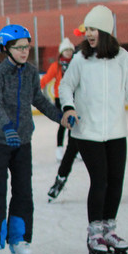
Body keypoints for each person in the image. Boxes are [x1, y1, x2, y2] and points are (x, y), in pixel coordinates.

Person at [59, 5, 128, 254]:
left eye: (94, 29)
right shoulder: (80, 58)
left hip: (115, 131)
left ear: (106, 31)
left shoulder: (122, 58)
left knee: (115, 181)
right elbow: (65, 87)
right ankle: (94, 233)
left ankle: (109, 229)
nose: (89, 34)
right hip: (86, 132)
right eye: (87, 29)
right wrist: (68, 107)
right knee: (99, 180)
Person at [0, 25, 63, 254]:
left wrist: (60, 117)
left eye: (27, 46)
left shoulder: (30, 72)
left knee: (23, 191)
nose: (24, 51)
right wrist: (7, 128)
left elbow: (38, 98)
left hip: (23, 140)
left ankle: (20, 239)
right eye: (19, 47)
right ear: (6, 49)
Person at [43, 38, 81, 200]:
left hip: (75, 98)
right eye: (66, 51)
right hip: (61, 99)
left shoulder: (77, 63)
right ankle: (60, 148)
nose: (69, 53)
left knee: (76, 126)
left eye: (70, 51)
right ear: (61, 52)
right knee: (63, 125)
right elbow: (45, 80)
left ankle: (77, 149)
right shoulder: (57, 66)